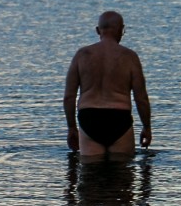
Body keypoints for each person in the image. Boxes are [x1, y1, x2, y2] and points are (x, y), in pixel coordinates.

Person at [64, 10, 152, 161]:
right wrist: (147, 127)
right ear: (121, 30)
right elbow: (141, 98)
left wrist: (72, 128)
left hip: (89, 118)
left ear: (98, 30)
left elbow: (69, 97)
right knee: (122, 174)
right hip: (119, 117)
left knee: (90, 174)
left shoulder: (82, 55)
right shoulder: (129, 57)